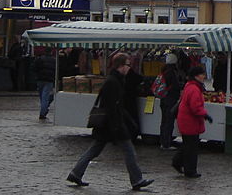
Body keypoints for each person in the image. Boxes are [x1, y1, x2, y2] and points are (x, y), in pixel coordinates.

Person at [66, 53, 154, 191]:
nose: (129, 68)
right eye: (127, 65)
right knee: (129, 151)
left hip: (109, 125)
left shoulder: (116, 80)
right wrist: (119, 126)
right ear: (120, 65)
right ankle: (137, 180)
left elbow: (117, 106)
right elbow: (112, 107)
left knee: (94, 150)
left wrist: (128, 121)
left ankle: (75, 173)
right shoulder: (113, 82)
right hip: (112, 124)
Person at [172, 65, 212, 179]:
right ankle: (190, 170)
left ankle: (177, 162)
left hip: (186, 120)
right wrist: (205, 115)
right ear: (196, 76)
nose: (204, 76)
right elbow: (195, 107)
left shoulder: (190, 86)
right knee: (191, 147)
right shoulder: (194, 89)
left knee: (187, 145)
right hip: (190, 121)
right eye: (202, 74)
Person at [159, 53, 182, 150]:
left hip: (163, 99)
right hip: (170, 100)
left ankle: (163, 142)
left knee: (164, 121)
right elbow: (176, 86)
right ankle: (166, 144)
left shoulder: (164, 71)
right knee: (169, 122)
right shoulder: (172, 72)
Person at [33, 48, 57, 120]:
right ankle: (43, 112)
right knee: (45, 96)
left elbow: (33, 68)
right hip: (49, 80)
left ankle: (43, 111)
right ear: (51, 52)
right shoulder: (54, 60)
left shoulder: (39, 59)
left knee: (42, 96)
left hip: (40, 79)